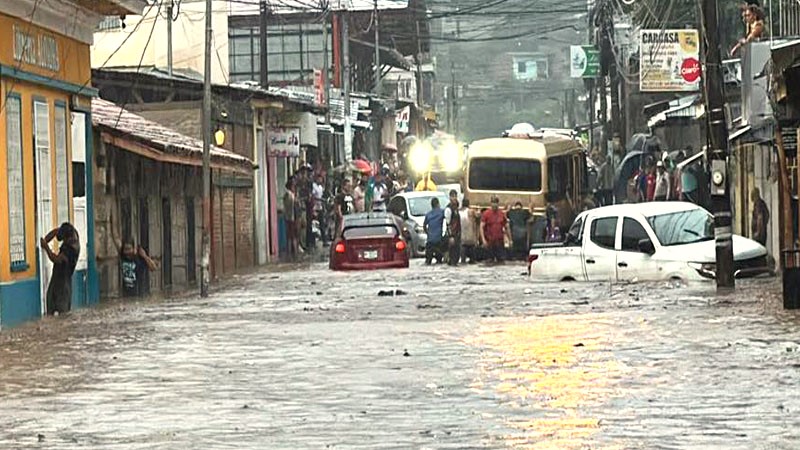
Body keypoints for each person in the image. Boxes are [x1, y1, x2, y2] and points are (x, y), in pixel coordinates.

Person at [40, 222, 80, 315]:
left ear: (67, 238)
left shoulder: (71, 250)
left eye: (63, 239)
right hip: (56, 279)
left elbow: (56, 259)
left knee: (63, 316)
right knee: (50, 310)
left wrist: (46, 247)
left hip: (63, 286)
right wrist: (45, 240)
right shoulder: (71, 232)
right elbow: (56, 232)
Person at [480, 196, 510, 264]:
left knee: (501, 261)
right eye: (493, 202)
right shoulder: (486, 214)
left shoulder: (501, 214)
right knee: (489, 261)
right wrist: (483, 240)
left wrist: (510, 239)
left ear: (498, 203)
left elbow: (507, 227)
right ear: (491, 203)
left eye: (496, 203)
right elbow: (481, 227)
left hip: (499, 242)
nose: (494, 204)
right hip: (489, 242)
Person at [423, 197, 446, 265]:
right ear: (438, 204)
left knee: (428, 261)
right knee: (439, 261)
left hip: (430, 240)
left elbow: (424, 226)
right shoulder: (441, 212)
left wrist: (428, 233)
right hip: (438, 240)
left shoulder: (428, 214)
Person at [443, 190, 462, 266]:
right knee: (453, 256)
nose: (454, 198)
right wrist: (450, 236)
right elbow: (447, 224)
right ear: (450, 197)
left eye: (455, 196)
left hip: (457, 235)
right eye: (453, 196)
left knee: (457, 255)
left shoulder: (456, 208)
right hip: (452, 236)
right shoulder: (448, 209)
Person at [283, 179, 299, 258]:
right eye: (293, 186)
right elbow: (293, 207)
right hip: (291, 218)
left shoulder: (288, 195)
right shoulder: (290, 195)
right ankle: (293, 253)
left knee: (290, 236)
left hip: (289, 218)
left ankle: (291, 253)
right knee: (292, 236)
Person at [459, 198, 478, 264]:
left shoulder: (459, 212)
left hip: (462, 240)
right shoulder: (471, 211)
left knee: (463, 261)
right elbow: (478, 216)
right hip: (471, 240)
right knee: (473, 261)